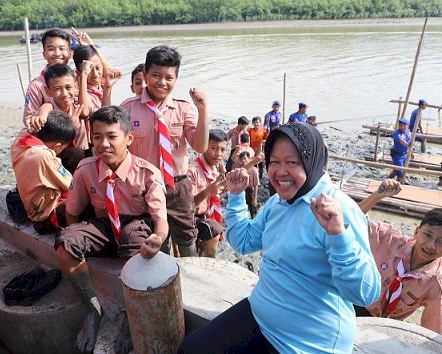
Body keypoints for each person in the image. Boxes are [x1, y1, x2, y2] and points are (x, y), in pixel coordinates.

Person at [178, 122, 381, 353]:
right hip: (259, 314)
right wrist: (236, 197)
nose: (280, 171)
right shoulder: (278, 202)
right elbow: (244, 242)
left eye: (292, 162)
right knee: (191, 349)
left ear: (312, 161)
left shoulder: (339, 209)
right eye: (274, 162)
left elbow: (366, 294)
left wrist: (338, 236)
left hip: (308, 341)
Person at [55, 106, 168, 354]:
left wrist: (157, 239)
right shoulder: (86, 169)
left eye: (111, 136)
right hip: (105, 223)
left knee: (133, 239)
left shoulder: (148, 173)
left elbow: (161, 222)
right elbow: (72, 211)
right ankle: (92, 308)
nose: (103, 143)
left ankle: (132, 316)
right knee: (65, 244)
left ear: (128, 138)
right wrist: (79, 240)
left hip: (137, 226)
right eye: (97, 137)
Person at [120, 45, 209, 257]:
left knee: (187, 236)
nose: (162, 82)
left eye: (169, 77)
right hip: (144, 186)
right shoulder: (129, 108)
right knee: (156, 239)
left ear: (176, 79)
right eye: (156, 75)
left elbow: (200, 146)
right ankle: (165, 277)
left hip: (177, 186)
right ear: (144, 75)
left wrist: (203, 109)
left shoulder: (183, 108)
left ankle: (191, 277)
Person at [356, 178, 442, 335]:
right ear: (416, 232)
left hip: (385, 327)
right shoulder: (388, 240)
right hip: (353, 303)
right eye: (427, 235)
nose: (431, 245)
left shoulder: (435, 287)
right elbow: (352, 219)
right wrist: (377, 196)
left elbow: (433, 334)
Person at [11, 110, 76, 234]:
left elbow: (47, 105)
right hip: (43, 215)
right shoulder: (44, 156)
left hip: (29, 202)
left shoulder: (21, 139)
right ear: (58, 145)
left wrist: (41, 114)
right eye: (62, 147)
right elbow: (70, 184)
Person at [25, 64, 88, 172]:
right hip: (56, 159)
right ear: (48, 91)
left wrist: (84, 75)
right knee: (76, 154)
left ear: (76, 87)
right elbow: (44, 112)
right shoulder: (49, 108)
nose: (64, 94)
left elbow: (86, 112)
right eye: (58, 89)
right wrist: (71, 126)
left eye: (68, 87)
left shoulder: (77, 108)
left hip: (81, 154)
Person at [187, 129, 227, 257]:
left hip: (207, 214)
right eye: (214, 148)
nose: (218, 154)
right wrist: (207, 192)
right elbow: (188, 206)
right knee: (215, 229)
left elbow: (214, 196)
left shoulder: (214, 168)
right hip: (192, 218)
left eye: (222, 150)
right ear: (204, 147)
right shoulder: (193, 171)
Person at [23, 28, 73, 124]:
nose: (57, 54)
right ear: (44, 54)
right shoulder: (36, 85)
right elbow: (29, 120)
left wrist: (90, 45)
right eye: (51, 49)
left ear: (70, 53)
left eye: (62, 49)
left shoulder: (79, 77)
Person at [73, 44, 122, 117]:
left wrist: (92, 45)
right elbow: (84, 112)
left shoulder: (101, 86)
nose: (95, 74)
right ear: (78, 72)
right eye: (89, 70)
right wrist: (84, 74)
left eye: (98, 68)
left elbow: (112, 72)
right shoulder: (77, 92)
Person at [238, 151, 260, 219]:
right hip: (242, 191)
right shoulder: (241, 170)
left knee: (252, 209)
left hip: (251, 191)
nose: (243, 161)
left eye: (245, 158)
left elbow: (256, 185)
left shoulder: (254, 170)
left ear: (249, 159)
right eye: (241, 159)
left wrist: (255, 198)